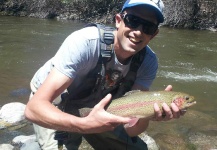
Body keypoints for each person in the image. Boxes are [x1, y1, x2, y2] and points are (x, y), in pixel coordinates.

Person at [25, 0, 184, 149]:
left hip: (101, 106)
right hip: (55, 101)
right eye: (133, 21)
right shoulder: (85, 42)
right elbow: (34, 109)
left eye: (148, 27)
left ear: (154, 34)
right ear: (118, 20)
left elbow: (130, 130)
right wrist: (85, 125)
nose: (138, 32)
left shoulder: (148, 63)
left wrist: (148, 115)